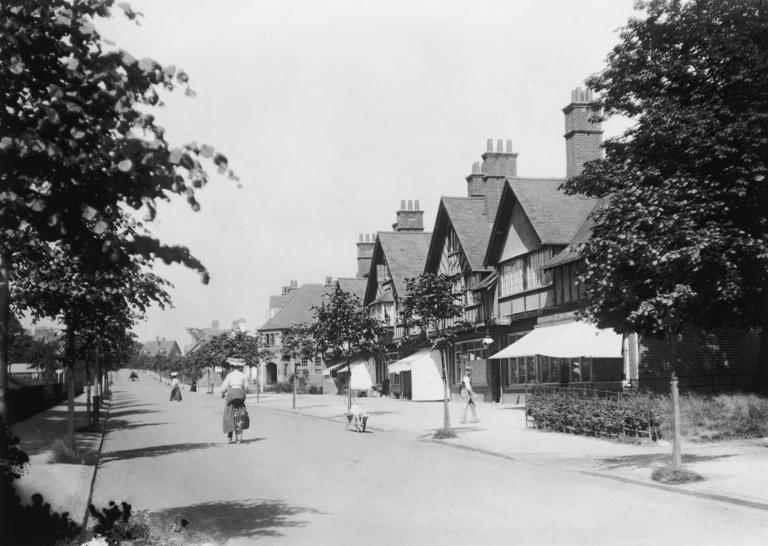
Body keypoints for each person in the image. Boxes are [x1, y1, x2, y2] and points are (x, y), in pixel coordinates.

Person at [220, 358, 248, 443]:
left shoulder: (229, 375)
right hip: (240, 394)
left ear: (232, 367)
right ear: (240, 367)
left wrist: (223, 392)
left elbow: (223, 388)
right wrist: (244, 391)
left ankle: (229, 437)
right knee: (241, 410)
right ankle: (239, 438)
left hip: (232, 394)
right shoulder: (243, 375)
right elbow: (246, 387)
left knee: (228, 412)